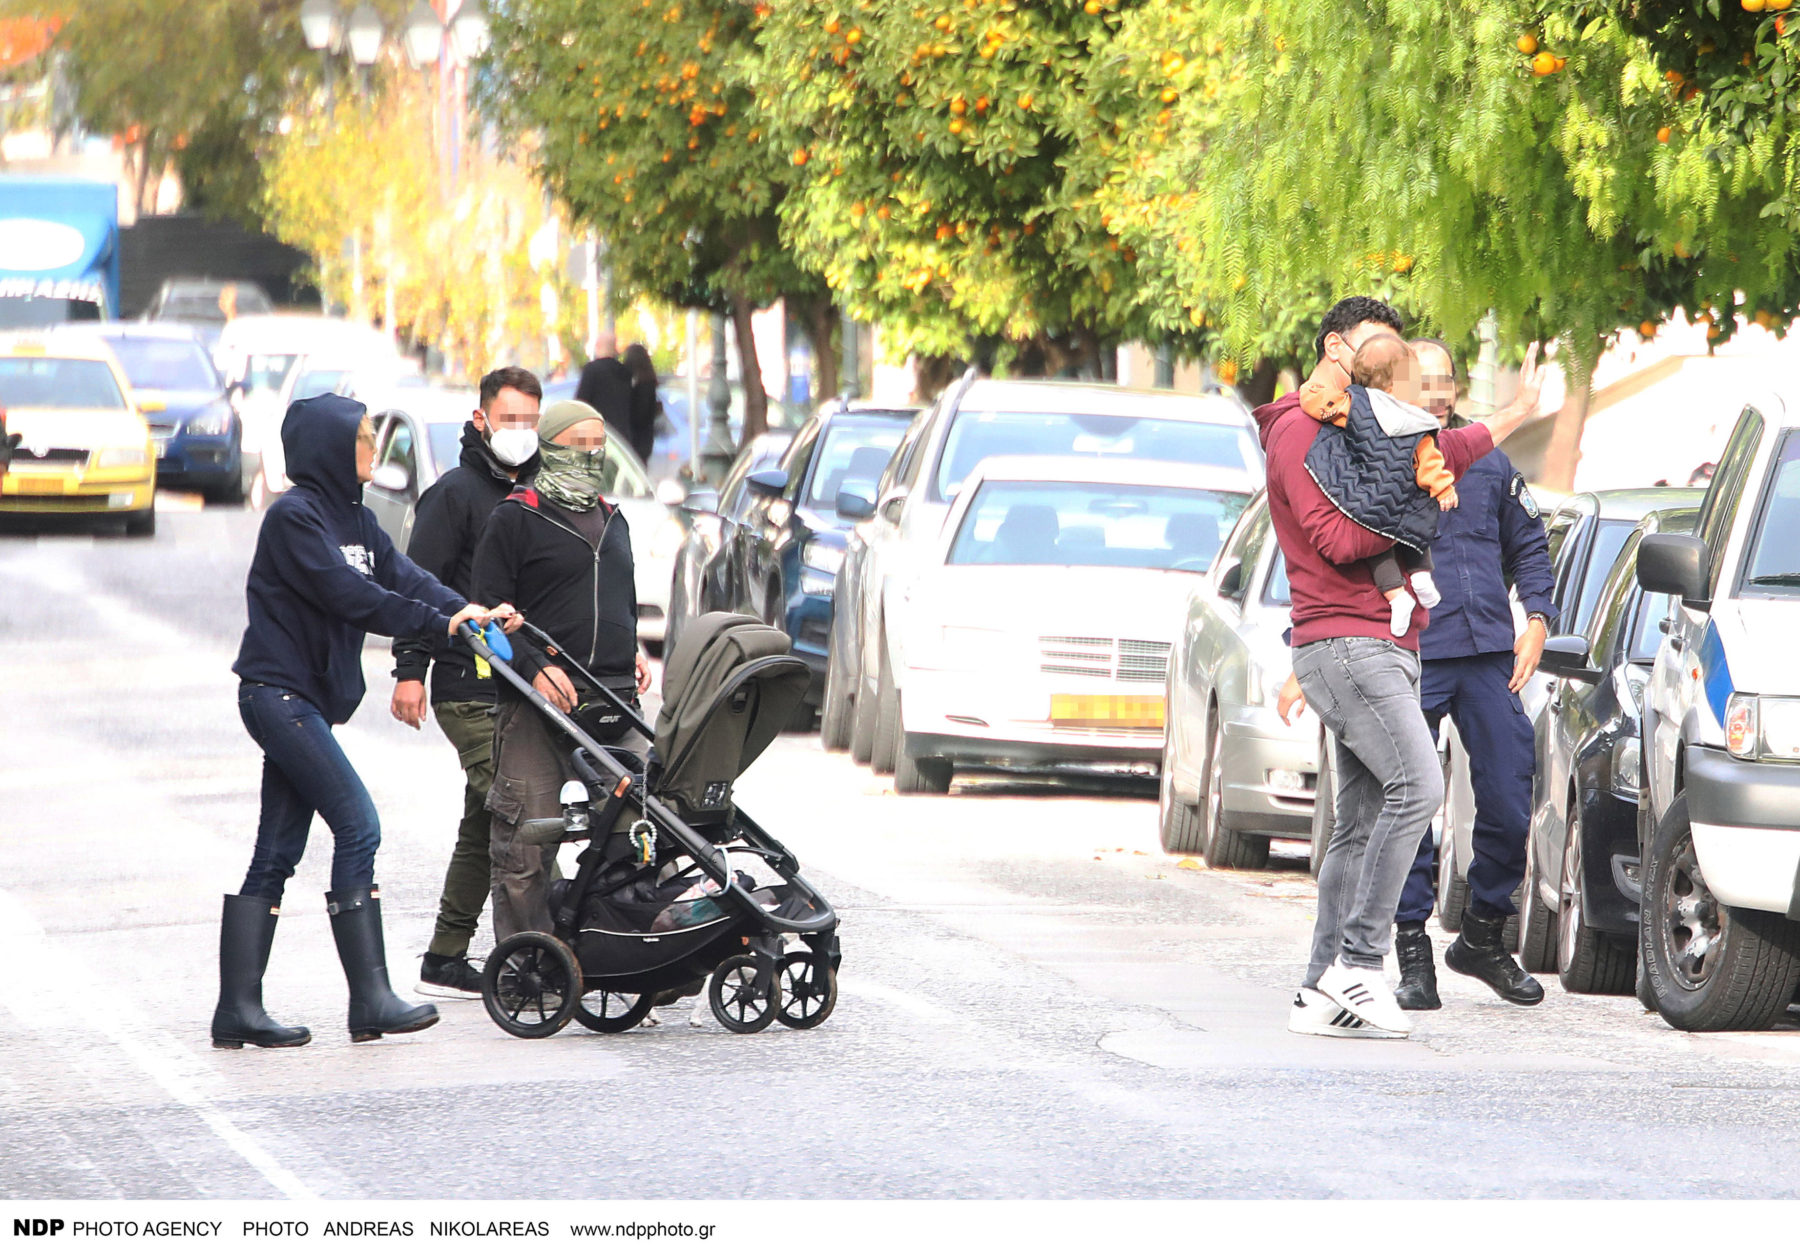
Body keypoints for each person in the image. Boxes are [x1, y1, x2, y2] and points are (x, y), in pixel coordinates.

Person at [1259, 295, 1542, 1039]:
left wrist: (1512, 415)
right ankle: (1360, 961)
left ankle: (1320, 986)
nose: (1389, 360)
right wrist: (1408, 511)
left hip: (1385, 643)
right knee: (1417, 787)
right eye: (1374, 345)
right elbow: (1332, 536)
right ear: (1334, 348)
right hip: (1346, 641)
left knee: (1356, 824)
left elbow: (1442, 452)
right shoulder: (1298, 429)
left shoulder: (1368, 423)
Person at [216, 393, 517, 1049]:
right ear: (329, 446)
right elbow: (348, 594)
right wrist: (437, 626)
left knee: (277, 850)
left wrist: (468, 613)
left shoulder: (356, 519)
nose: (373, 451)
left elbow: (405, 576)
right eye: (362, 439)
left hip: (307, 702)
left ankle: (237, 1009)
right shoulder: (294, 519)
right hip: (278, 696)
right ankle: (371, 997)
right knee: (359, 824)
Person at [1388, 337, 1557, 1012]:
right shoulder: (1382, 462)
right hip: (1412, 654)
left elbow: (1531, 548)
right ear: (1399, 386)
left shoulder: (1488, 459)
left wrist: (1538, 619)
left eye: (1444, 380)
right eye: (1421, 380)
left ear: (1457, 389)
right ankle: (1412, 951)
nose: (1435, 391)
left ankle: (1483, 936)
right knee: (1409, 803)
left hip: (1487, 652)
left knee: (1512, 795)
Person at [473, 399, 653, 941]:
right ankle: (529, 962)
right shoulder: (514, 517)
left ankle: (626, 949)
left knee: (646, 829)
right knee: (523, 848)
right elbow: (484, 617)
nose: (591, 455)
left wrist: (633, 650)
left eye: (598, 446)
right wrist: (533, 670)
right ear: (549, 448)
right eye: (579, 446)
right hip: (537, 709)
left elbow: (620, 600)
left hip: (614, 703)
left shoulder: (614, 519)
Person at [390, 366, 544, 999]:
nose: (522, 433)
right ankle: (540, 951)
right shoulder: (452, 496)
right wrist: (409, 672)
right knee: (522, 810)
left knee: (485, 819)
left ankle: (446, 954)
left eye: (531, 422)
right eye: (510, 421)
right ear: (482, 420)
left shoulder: (537, 494)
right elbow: (415, 589)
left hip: (523, 687)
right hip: (467, 688)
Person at [1299, 334, 1459, 636]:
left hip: (1370, 497)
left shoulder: (1356, 406)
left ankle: (1397, 597)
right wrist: (1443, 487)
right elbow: (1429, 462)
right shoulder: (1418, 422)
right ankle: (1422, 575)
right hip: (1405, 497)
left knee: (1376, 546)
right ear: (1392, 386)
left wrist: (1310, 389)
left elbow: (1321, 403)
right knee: (1414, 527)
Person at [574, 330, 634, 443]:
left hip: (597, 437)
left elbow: (580, 403)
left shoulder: (591, 370)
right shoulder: (625, 372)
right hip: (622, 440)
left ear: (598, 346)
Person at [621, 342, 661, 466]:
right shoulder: (649, 383)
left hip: (635, 440)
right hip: (646, 439)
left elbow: (638, 414)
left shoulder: (637, 386)